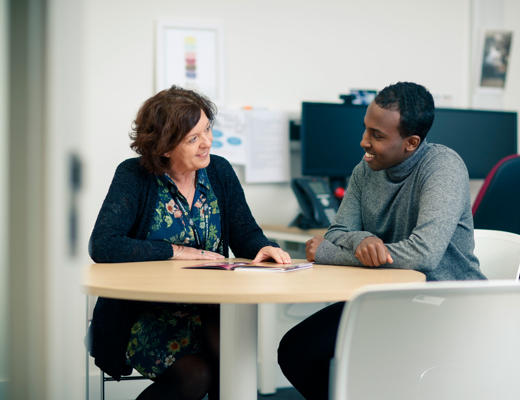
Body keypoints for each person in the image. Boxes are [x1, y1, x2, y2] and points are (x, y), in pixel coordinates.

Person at [277, 81, 486, 400]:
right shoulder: (365, 170)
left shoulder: (443, 168)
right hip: (389, 300)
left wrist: (333, 253)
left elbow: (423, 255)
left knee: (368, 363)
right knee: (296, 350)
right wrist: (363, 239)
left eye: (377, 135)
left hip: (444, 303)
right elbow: (336, 233)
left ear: (411, 142)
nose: (364, 142)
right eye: (366, 129)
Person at [87, 86, 291, 400]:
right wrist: (176, 251)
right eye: (193, 138)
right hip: (148, 317)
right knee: (196, 376)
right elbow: (103, 245)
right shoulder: (134, 175)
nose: (207, 142)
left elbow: (245, 233)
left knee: (231, 369)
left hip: (212, 310)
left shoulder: (219, 170)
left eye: (207, 129)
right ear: (165, 147)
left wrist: (262, 247)